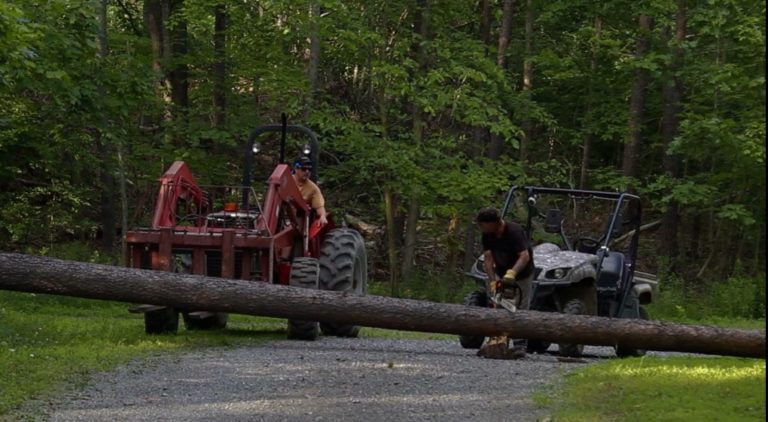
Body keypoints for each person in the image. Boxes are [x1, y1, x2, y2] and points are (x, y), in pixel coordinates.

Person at [476, 207, 535, 357]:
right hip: (501, 272)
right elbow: (488, 259)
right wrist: (492, 280)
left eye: (483, 224)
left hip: (522, 274)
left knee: (520, 307)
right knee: (500, 305)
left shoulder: (513, 231)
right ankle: (498, 342)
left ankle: (521, 345)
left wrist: (513, 272)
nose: (481, 227)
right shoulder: (487, 235)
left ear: (493, 223)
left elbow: (524, 256)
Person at [292, 157, 328, 227]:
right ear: (296, 169)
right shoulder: (287, 180)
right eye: (304, 169)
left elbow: (319, 206)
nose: (307, 171)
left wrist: (323, 216)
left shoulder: (313, 188)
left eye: (309, 169)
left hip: (299, 218)